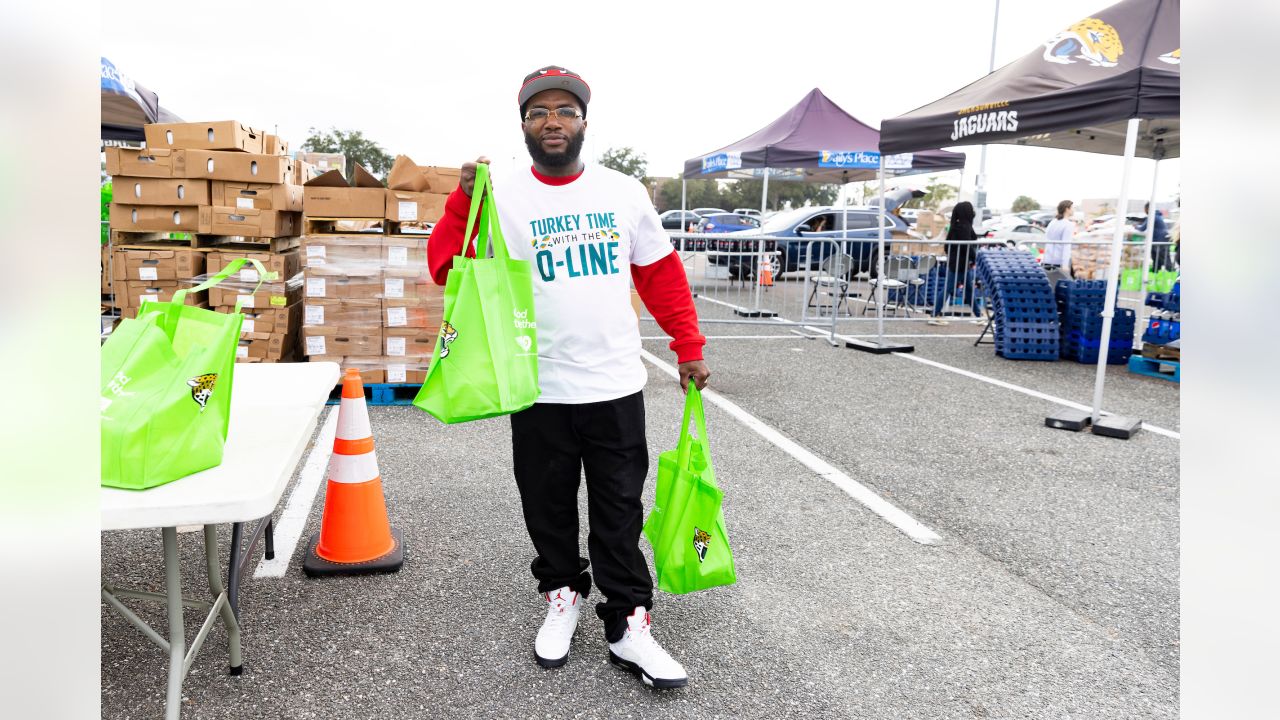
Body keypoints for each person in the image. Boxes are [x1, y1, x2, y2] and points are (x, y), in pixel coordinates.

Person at [426, 66, 709, 690]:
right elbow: (446, 268)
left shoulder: (622, 191)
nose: (552, 121)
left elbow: (660, 275)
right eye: (538, 112)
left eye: (564, 111)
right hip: (537, 387)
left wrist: (687, 344)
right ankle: (561, 596)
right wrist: (460, 199)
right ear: (523, 125)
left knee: (619, 512)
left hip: (614, 385)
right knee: (547, 506)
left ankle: (629, 624)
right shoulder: (497, 191)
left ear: (584, 121)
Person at [931, 201, 982, 322]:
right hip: (959, 264)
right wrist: (974, 258)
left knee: (968, 289)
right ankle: (934, 313)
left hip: (959, 263)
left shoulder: (959, 225)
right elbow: (967, 245)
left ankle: (978, 315)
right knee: (949, 289)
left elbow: (949, 246)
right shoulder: (963, 227)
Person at [1042, 199, 1076, 284]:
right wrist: (1065, 264)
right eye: (1072, 208)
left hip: (1047, 259)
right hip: (1059, 261)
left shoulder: (1053, 222)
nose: (1073, 210)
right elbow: (1066, 245)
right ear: (1067, 209)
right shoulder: (1068, 225)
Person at [1135, 202, 1173, 271]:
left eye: (1145, 209)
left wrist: (1135, 227)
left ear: (1148, 209)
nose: (1145, 211)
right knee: (1156, 258)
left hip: (1159, 240)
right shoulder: (1157, 215)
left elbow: (1142, 228)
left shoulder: (1152, 216)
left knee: (1163, 258)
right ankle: (1156, 273)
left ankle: (1170, 275)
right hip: (1161, 239)